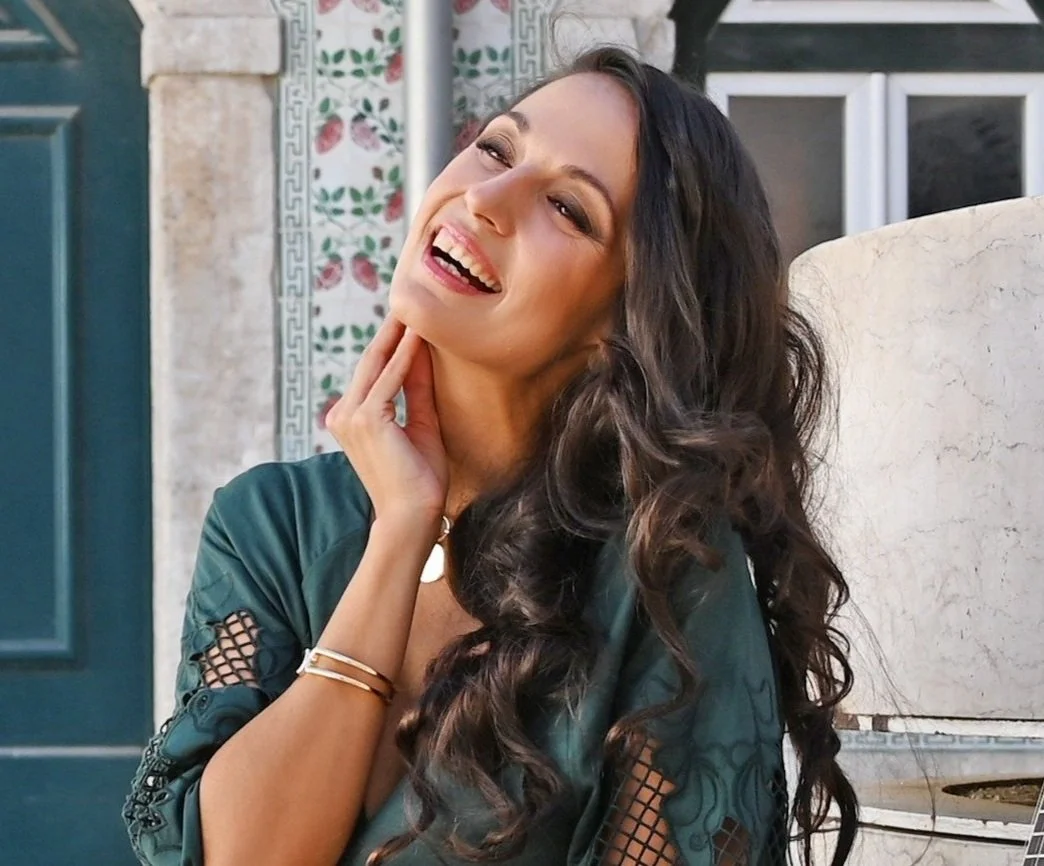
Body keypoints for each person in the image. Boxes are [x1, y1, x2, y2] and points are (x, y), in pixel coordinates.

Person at [123, 46, 857, 866]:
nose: (486, 198)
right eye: (497, 149)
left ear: (623, 320)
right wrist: (403, 529)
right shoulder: (271, 523)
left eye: (569, 209)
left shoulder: (665, 567)